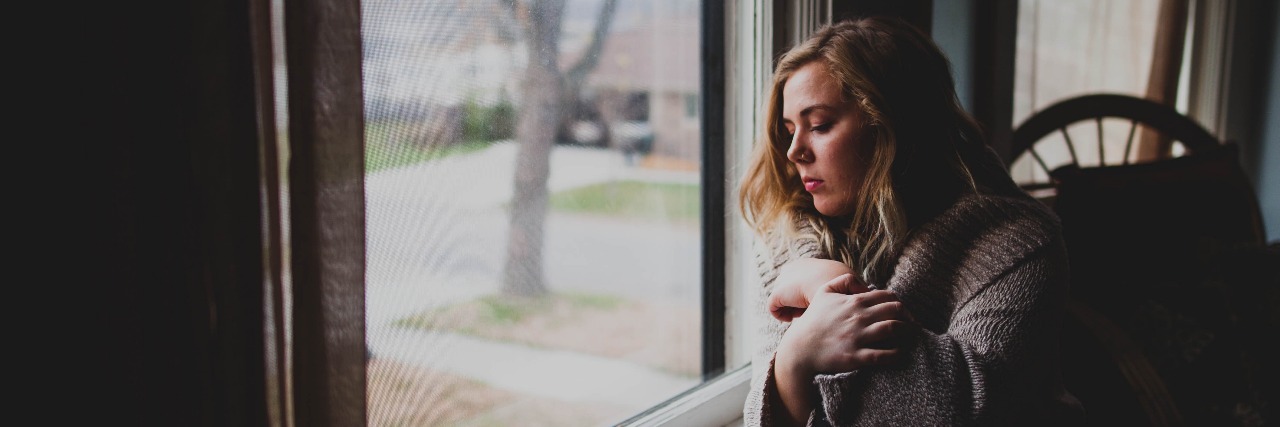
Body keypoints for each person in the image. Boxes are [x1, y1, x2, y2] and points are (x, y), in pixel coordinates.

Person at [738, 17, 1083, 426]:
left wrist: (834, 295)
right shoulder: (788, 245)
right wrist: (795, 359)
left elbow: (969, 413)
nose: (795, 151)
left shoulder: (1020, 246)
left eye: (820, 126)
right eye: (789, 130)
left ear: (893, 126)